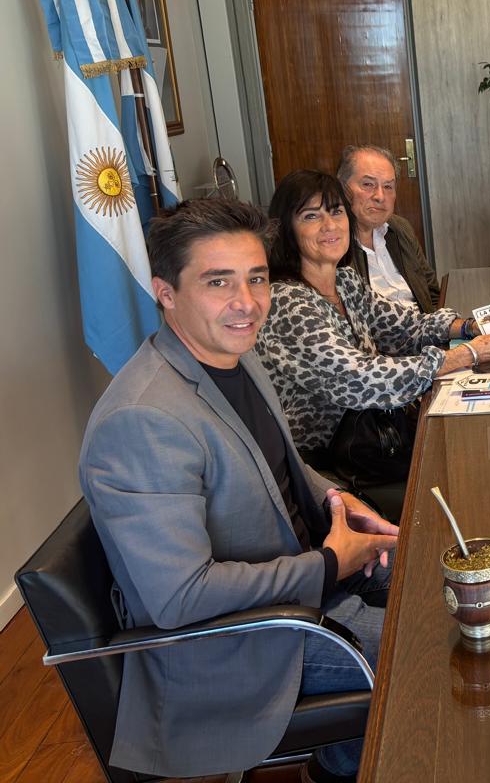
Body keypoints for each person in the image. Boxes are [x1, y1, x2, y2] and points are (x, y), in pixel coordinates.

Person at [79, 198, 398, 783]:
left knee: (445, 577)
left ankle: (342, 760)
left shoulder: (235, 356)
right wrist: (330, 564)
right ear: (165, 292)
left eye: (256, 278)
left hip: (302, 581)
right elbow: (181, 598)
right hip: (240, 648)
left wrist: (339, 501)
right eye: (218, 282)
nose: (247, 303)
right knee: (427, 649)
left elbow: (274, 466)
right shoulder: (142, 420)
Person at [255, 171, 490, 462]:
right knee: (469, 454)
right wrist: (467, 354)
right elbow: (358, 378)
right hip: (327, 462)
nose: (329, 225)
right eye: (311, 216)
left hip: (375, 436)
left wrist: (470, 326)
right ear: (287, 229)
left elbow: (404, 327)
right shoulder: (286, 301)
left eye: (336, 211)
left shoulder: (345, 281)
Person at [337, 144, 441, 311]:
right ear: (342, 187)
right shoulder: (332, 242)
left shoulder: (400, 228)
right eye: (368, 184)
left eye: (388, 186)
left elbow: (433, 293)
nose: (380, 196)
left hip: (428, 324)